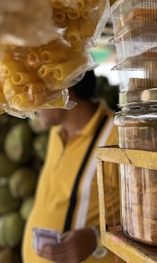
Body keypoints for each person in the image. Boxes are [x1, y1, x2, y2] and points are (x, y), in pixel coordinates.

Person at [22, 70, 122, 263]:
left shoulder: (117, 137)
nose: (30, 100)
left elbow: (151, 220)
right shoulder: (57, 132)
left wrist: (96, 238)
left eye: (35, 89)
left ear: (64, 87)